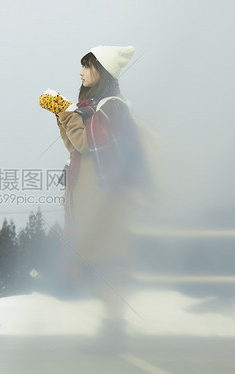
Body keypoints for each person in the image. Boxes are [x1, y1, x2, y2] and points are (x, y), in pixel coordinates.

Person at [41, 45, 149, 354]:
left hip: (106, 202)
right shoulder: (97, 106)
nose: (80, 72)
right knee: (104, 265)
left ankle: (112, 337)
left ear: (100, 71)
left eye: (86, 66)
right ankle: (111, 335)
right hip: (95, 200)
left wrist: (67, 113)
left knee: (109, 265)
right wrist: (64, 116)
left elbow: (86, 143)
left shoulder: (110, 107)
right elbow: (73, 146)